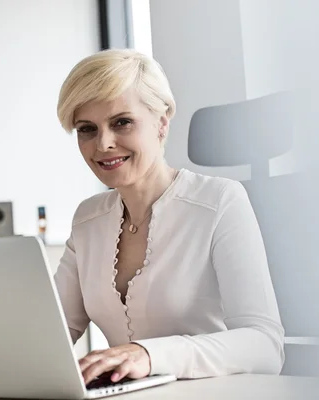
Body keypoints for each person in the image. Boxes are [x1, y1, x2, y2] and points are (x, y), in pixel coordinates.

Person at [53, 48, 285, 385]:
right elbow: (53, 332)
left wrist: (148, 355)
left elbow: (265, 346)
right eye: (87, 129)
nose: (103, 144)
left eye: (122, 122)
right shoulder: (88, 219)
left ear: (161, 123)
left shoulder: (219, 200)